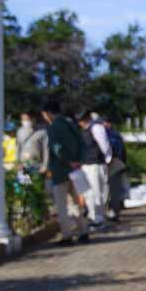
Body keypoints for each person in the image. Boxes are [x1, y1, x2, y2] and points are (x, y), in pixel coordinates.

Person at [41, 101, 89, 245]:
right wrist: (78, 161)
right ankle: (83, 232)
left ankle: (67, 235)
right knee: (77, 203)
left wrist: (68, 161)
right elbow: (82, 143)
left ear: (48, 113)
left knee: (62, 206)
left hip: (60, 171)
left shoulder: (53, 127)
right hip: (76, 171)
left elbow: (57, 148)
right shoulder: (70, 123)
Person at [77, 111, 113, 227]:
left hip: (96, 164)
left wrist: (107, 160)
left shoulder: (97, 128)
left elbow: (105, 145)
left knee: (99, 192)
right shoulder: (84, 131)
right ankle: (93, 217)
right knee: (90, 193)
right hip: (87, 165)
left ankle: (99, 218)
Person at [103, 119, 128, 222]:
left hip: (110, 164)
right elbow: (123, 151)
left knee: (108, 190)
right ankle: (114, 212)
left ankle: (109, 213)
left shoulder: (108, 135)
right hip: (118, 164)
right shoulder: (116, 134)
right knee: (115, 190)